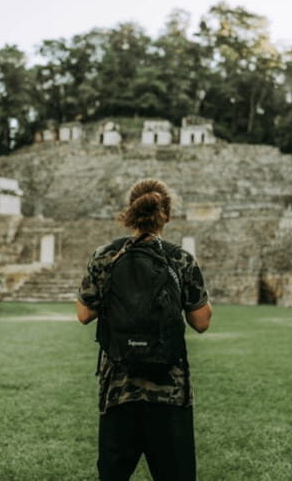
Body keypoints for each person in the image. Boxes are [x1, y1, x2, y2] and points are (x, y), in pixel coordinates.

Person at [75, 178, 213, 481]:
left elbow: (84, 314)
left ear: (131, 211)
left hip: (118, 389)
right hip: (169, 391)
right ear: (167, 214)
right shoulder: (180, 259)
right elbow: (201, 322)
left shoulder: (105, 256)